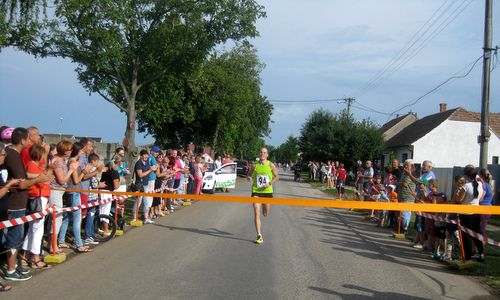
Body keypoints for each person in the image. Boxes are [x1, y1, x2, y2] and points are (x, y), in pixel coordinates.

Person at [2, 128, 53, 282]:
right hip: (15, 203)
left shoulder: (12, 154)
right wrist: (38, 180)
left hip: (18, 203)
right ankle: (10, 270)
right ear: (24, 140)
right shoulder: (14, 156)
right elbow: (21, 183)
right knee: (14, 238)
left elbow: (23, 177)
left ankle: (16, 265)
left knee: (17, 236)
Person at [21, 144, 53, 269]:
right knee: (37, 229)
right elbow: (41, 182)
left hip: (41, 197)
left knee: (33, 228)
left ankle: (25, 255)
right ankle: (35, 257)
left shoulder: (35, 166)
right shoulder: (33, 166)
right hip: (38, 197)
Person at [247, 147, 279, 244]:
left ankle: (265, 212)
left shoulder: (270, 165)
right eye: (261, 152)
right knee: (257, 212)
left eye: (264, 152)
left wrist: (269, 183)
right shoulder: (254, 165)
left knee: (265, 213)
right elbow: (249, 174)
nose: (262, 154)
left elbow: (277, 177)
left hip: (267, 192)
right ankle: (259, 235)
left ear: (267, 155)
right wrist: (248, 177)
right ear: (259, 153)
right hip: (256, 191)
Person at [454, 165, 485, 261]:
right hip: (476, 212)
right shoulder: (479, 185)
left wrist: (457, 192)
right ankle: (481, 253)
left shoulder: (465, 186)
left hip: (465, 213)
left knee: (466, 235)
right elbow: (480, 198)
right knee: (476, 234)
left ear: (466, 175)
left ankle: (467, 256)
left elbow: (459, 200)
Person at [398, 159, 416, 234]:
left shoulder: (409, 174)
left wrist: (397, 182)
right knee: (402, 214)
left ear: (411, 167)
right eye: (404, 164)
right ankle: (402, 228)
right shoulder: (404, 174)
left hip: (408, 198)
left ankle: (405, 229)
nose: (405, 166)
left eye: (407, 165)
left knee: (406, 214)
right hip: (402, 197)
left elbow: (404, 184)